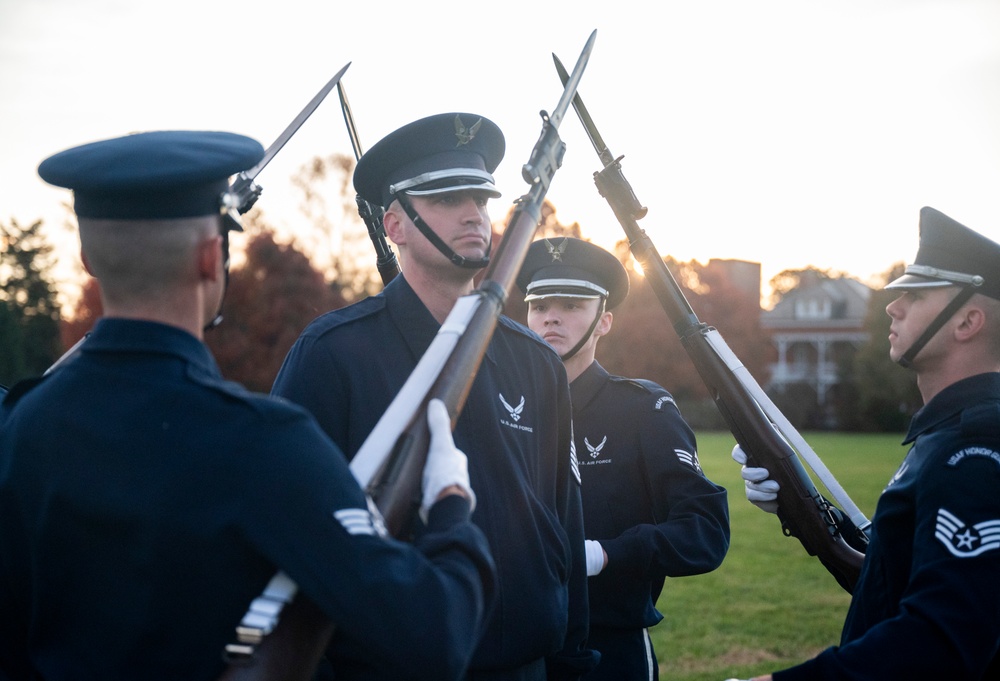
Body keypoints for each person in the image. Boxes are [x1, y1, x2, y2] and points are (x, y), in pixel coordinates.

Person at [0, 130, 497, 681]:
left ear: (87, 258)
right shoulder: (261, 442)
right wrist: (451, 504)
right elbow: (436, 633)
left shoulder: (23, 427)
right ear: (213, 258)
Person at [271, 113, 597, 681]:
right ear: (395, 225)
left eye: (481, 197)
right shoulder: (333, 354)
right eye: (448, 198)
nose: (474, 213)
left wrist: (572, 662)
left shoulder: (537, 363)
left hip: (523, 667)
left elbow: (561, 523)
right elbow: (292, 535)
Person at [730, 206, 1000, 679]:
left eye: (915, 295)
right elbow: (898, 582)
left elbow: (940, 639)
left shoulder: (971, 449)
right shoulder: (948, 434)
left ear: (966, 323)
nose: (893, 306)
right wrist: (803, 508)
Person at [515, 237, 731, 680]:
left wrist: (608, 554)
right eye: (539, 305)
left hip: (609, 648)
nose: (551, 316)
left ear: (604, 321)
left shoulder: (641, 409)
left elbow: (704, 531)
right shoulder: (506, 409)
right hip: (519, 647)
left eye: (573, 304)